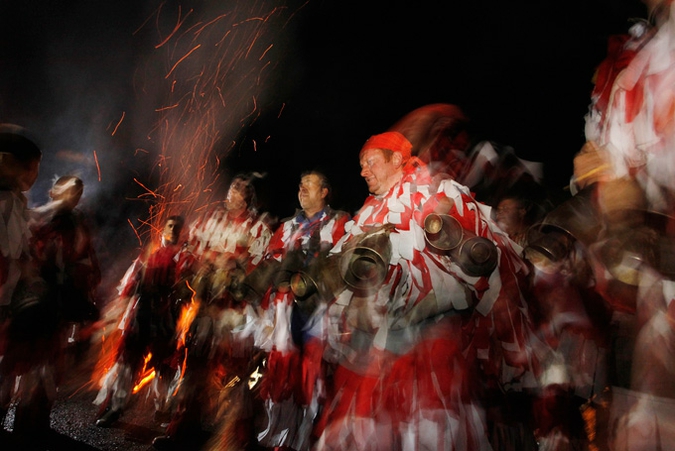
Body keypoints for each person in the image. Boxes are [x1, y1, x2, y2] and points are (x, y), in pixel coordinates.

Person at [313, 131, 538, 451]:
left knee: (432, 428)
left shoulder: (437, 192)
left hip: (432, 342)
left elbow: (480, 260)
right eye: (361, 164)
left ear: (396, 159)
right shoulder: (366, 214)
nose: (363, 171)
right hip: (379, 349)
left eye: (370, 162)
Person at [152, 173, 274, 450]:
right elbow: (189, 249)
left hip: (235, 312)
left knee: (236, 375)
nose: (232, 194)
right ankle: (181, 430)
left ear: (248, 198)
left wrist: (230, 268)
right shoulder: (210, 219)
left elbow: (258, 267)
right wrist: (193, 270)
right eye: (231, 188)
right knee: (193, 368)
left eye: (239, 191)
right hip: (206, 308)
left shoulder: (258, 228)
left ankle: (238, 437)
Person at [252, 169, 350, 451]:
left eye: (309, 184)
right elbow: (269, 263)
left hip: (321, 310)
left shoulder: (341, 222)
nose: (302, 188)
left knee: (314, 378)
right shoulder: (286, 226)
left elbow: (346, 266)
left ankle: (309, 440)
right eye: (300, 184)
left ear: (324, 192)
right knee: (283, 375)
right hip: (286, 311)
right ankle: (283, 440)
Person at [93, 215, 192, 428]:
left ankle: (163, 411)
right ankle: (116, 408)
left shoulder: (186, 257)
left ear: (183, 232)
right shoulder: (148, 254)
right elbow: (131, 283)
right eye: (170, 225)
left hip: (167, 317)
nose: (173, 229)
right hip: (142, 314)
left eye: (177, 227)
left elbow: (188, 288)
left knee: (164, 365)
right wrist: (119, 308)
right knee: (127, 361)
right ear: (163, 229)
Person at [0, 124, 49, 441]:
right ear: (6, 161)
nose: (32, 176)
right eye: (30, 167)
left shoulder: (15, 202)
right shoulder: (4, 205)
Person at [29, 175, 101, 370]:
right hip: (40, 286)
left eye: (79, 193)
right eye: (71, 191)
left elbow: (86, 251)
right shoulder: (40, 217)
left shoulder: (78, 221)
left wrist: (89, 273)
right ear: (56, 192)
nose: (75, 197)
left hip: (67, 287)